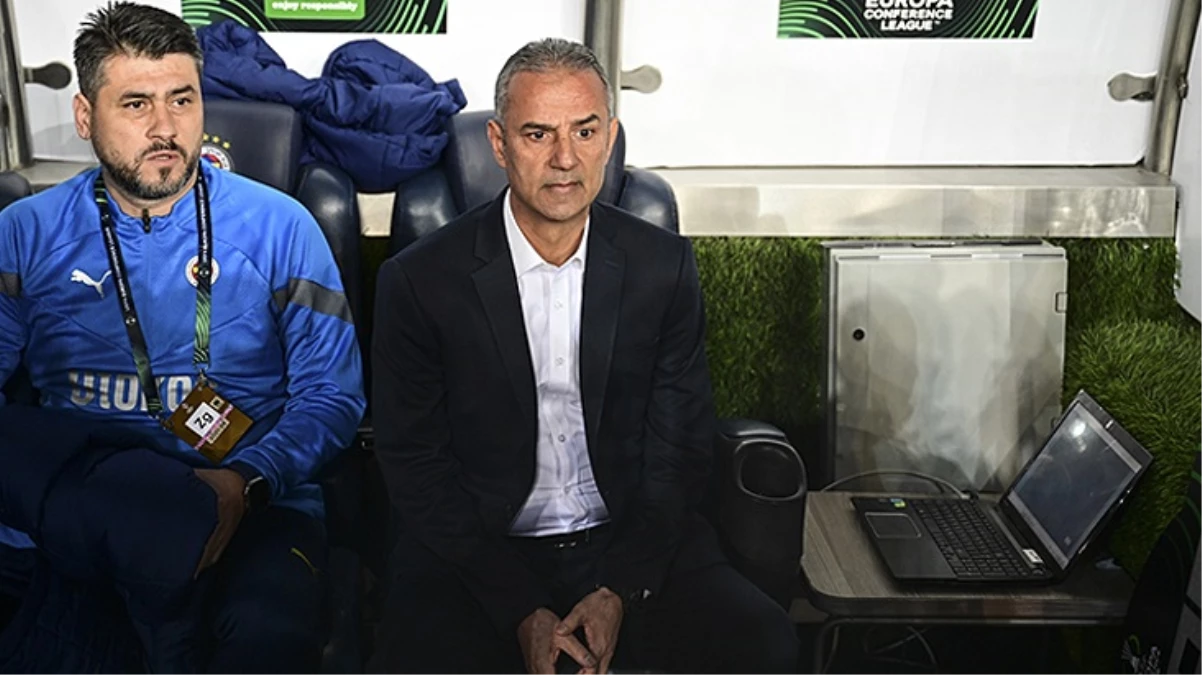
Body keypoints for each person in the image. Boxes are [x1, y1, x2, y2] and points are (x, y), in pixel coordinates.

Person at [370, 38, 799, 675]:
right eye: (537, 134)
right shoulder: (420, 280)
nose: (565, 158)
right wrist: (519, 607)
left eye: (585, 131)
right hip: (479, 550)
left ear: (610, 138)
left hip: (629, 538)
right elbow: (414, 462)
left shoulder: (661, 266)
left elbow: (679, 447)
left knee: (763, 643)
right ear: (499, 144)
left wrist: (621, 588)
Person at [0, 3, 365, 673]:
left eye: (182, 99)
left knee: (265, 636)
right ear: (85, 116)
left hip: (255, 500)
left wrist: (246, 480)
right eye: (135, 104)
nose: (165, 128)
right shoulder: (25, 234)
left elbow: (332, 397)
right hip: (88, 505)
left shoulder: (281, 227)